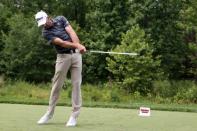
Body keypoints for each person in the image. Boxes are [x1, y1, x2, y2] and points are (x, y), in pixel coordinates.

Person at [35, 10, 86, 127]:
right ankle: (49, 113)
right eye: (42, 24)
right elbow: (61, 43)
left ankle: (74, 116)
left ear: (48, 17)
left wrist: (78, 47)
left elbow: (71, 32)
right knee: (57, 86)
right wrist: (78, 45)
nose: (44, 25)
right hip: (63, 57)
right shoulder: (45, 33)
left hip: (76, 56)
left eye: (45, 22)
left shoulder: (61, 19)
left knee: (76, 85)